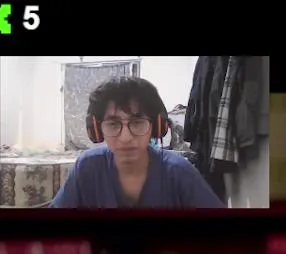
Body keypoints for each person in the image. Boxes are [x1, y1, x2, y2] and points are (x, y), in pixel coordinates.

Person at [50, 77, 223, 209]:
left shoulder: (179, 172)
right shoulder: (87, 167)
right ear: (96, 129)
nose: (126, 138)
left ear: (156, 126)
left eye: (138, 122)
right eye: (113, 124)